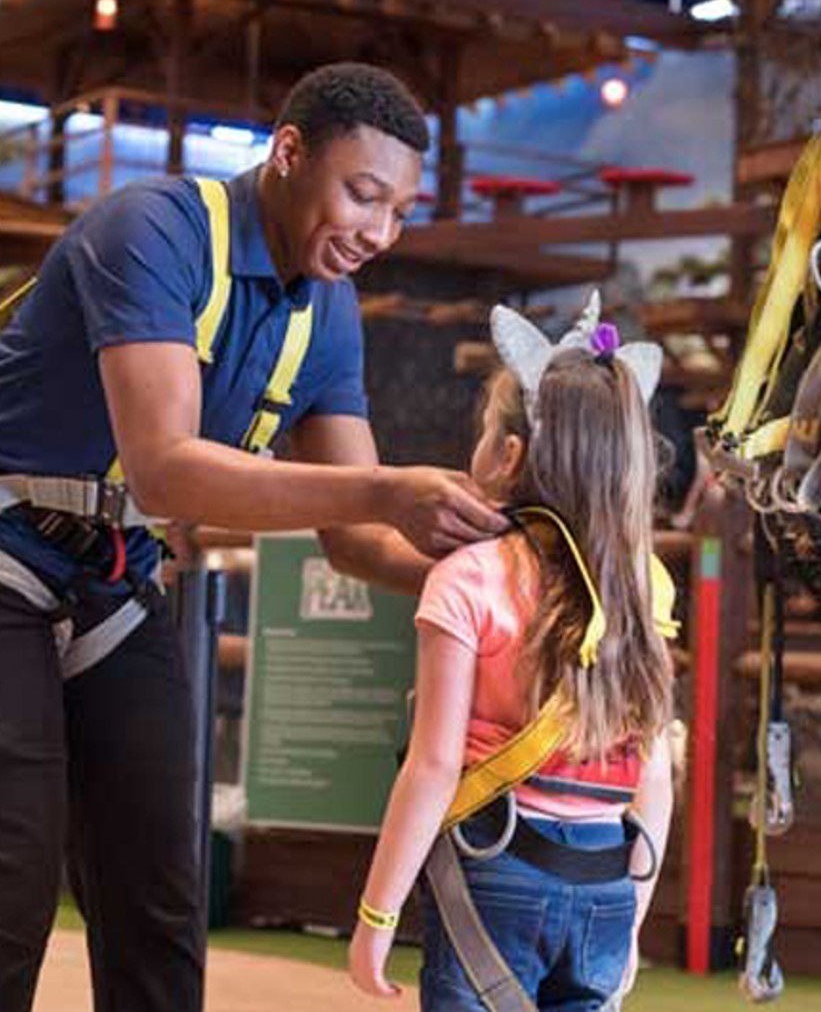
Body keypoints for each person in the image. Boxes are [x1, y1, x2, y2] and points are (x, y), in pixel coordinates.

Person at [0, 62, 507, 1012]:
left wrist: (498, 577)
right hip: (6, 555)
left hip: (113, 579)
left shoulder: (330, 313)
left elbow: (357, 540)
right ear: (287, 154)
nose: (378, 234)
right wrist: (391, 489)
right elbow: (165, 470)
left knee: (160, 887)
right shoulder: (151, 230)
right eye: (363, 195)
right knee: (11, 874)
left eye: (398, 212)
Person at [349, 296, 676, 1011]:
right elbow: (653, 779)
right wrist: (634, 924)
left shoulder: (467, 578)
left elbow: (433, 767)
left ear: (508, 454)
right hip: (608, 885)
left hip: (495, 871)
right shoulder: (645, 589)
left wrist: (376, 916)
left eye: (485, 431)